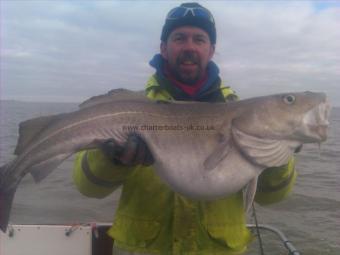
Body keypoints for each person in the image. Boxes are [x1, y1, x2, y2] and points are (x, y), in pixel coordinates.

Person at [73, 3, 297, 255]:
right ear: (163, 48)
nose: (189, 46)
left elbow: (271, 197)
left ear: (211, 50)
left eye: (199, 39)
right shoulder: (129, 111)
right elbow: (87, 187)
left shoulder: (243, 116)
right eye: (179, 38)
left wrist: (278, 153)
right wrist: (112, 159)